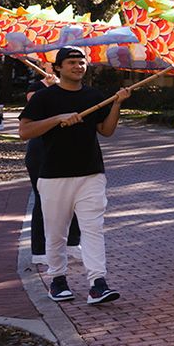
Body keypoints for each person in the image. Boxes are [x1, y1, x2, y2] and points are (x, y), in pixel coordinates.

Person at [17, 47, 132, 305]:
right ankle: (58, 280)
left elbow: (106, 130)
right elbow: (24, 131)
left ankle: (97, 283)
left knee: (93, 229)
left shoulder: (94, 96)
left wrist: (116, 104)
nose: (78, 66)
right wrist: (58, 118)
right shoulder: (44, 98)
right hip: (53, 176)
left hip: (91, 174)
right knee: (56, 232)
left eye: (82, 62)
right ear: (58, 68)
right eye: (71, 62)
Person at [24, 68, 80, 264]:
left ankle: (73, 243)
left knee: (74, 197)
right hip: (40, 152)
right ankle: (39, 251)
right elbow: (33, 101)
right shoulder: (37, 88)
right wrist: (48, 85)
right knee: (43, 200)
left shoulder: (71, 89)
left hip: (65, 150)